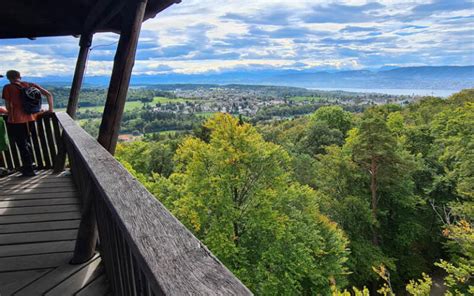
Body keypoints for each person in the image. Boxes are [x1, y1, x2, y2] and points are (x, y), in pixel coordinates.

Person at [2, 70, 54, 176]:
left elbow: (8, 106)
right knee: (26, 142)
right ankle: (31, 164)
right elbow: (48, 95)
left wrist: (8, 111)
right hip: (31, 119)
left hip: (16, 120)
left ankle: (29, 169)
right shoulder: (30, 85)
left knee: (22, 144)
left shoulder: (8, 88)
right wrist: (50, 110)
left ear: (8, 78)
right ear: (19, 76)